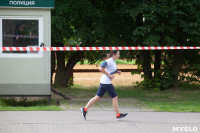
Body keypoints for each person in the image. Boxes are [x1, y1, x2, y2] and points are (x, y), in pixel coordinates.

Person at [80, 50, 128, 120]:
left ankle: (84, 109)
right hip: (106, 82)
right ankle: (118, 115)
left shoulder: (113, 61)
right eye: (118, 54)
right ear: (114, 54)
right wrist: (109, 75)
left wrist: (117, 71)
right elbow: (101, 69)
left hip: (104, 82)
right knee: (115, 97)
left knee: (97, 97)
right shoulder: (109, 61)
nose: (119, 55)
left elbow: (110, 70)